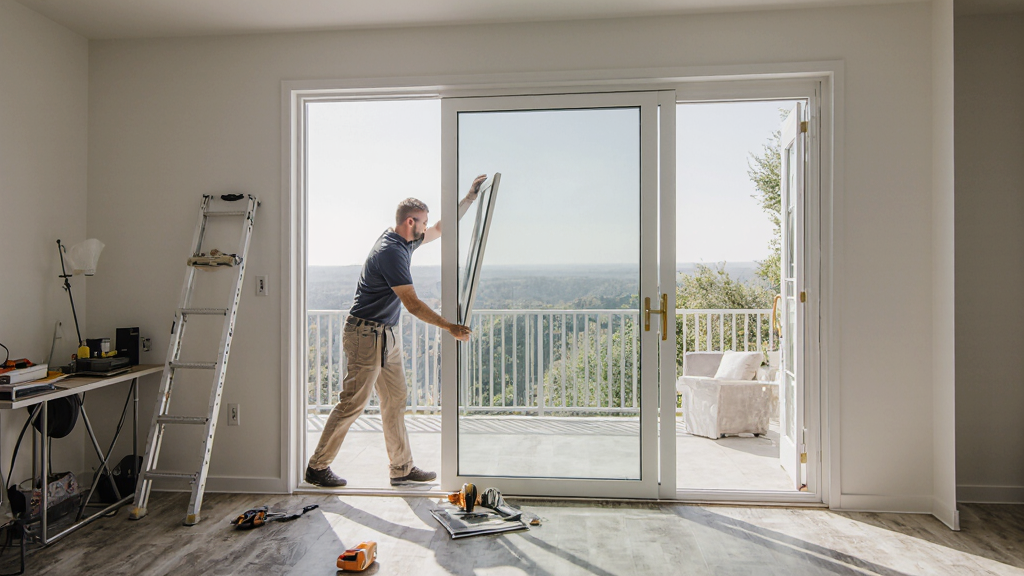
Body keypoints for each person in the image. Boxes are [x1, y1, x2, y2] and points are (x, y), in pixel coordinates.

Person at [305, 174, 488, 487]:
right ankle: (317, 467)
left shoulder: (406, 240)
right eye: (423, 222)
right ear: (410, 222)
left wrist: (469, 197)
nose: (425, 227)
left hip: (385, 334)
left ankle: (401, 468)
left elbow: (443, 229)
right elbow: (413, 304)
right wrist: (450, 327)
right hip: (366, 334)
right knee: (353, 403)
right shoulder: (390, 251)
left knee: (395, 400)